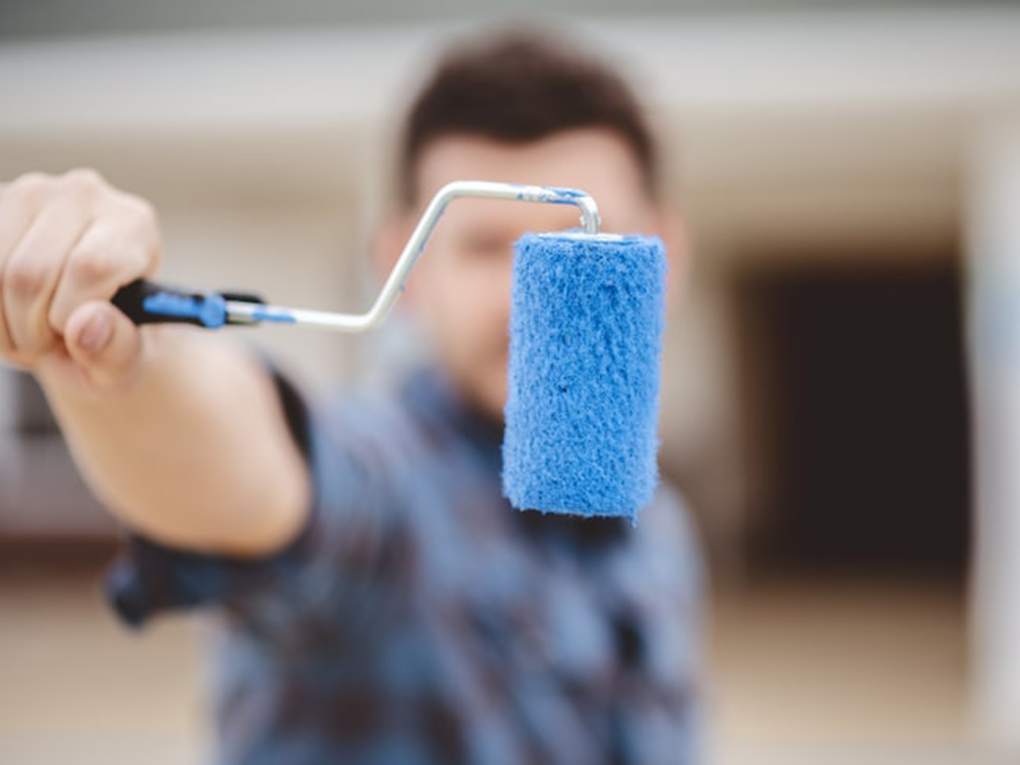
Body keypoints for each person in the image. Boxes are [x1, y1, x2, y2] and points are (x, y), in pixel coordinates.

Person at [0, 26, 704, 765]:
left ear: (666, 259)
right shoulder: (386, 481)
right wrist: (126, 370)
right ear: (398, 267)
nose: (529, 297)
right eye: (486, 247)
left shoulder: (661, 531)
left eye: (575, 246)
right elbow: (269, 478)